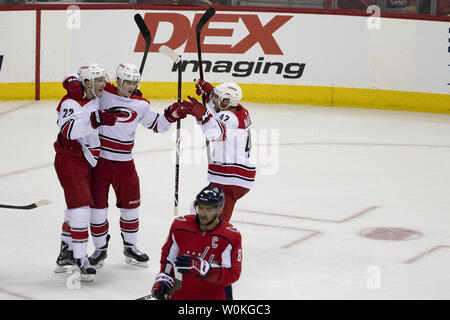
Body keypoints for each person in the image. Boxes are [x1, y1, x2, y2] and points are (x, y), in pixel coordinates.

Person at [65, 63, 185, 269]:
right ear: (118, 80)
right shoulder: (102, 94)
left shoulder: (141, 104)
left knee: (131, 208)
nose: (131, 86)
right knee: (98, 210)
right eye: (127, 82)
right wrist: (71, 82)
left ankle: (130, 246)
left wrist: (171, 114)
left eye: (134, 82)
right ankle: (100, 250)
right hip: (100, 162)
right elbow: (83, 78)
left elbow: (158, 125)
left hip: (125, 164)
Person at [54, 63, 118, 281]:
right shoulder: (70, 102)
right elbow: (68, 130)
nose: (104, 84)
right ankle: (80, 259)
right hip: (70, 159)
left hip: (89, 158)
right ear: (88, 83)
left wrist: (70, 78)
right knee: (81, 208)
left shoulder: (93, 94)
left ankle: (66, 251)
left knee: (76, 207)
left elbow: (75, 74)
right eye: (99, 80)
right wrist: (95, 120)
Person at [180, 80, 256, 222]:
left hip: (230, 179)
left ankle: (211, 242)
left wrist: (202, 116)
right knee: (197, 208)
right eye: (214, 96)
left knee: (212, 221)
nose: (214, 100)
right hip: (236, 176)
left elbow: (215, 133)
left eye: (217, 97)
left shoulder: (229, 117)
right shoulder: (239, 111)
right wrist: (210, 92)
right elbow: (220, 113)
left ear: (227, 101)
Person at [151, 185, 242, 300]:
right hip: (181, 296)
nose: (203, 214)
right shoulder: (180, 226)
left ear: (219, 209)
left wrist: (205, 269)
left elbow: (232, 274)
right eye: (201, 208)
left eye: (209, 209)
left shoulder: (230, 235)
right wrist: (163, 279)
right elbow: (168, 259)